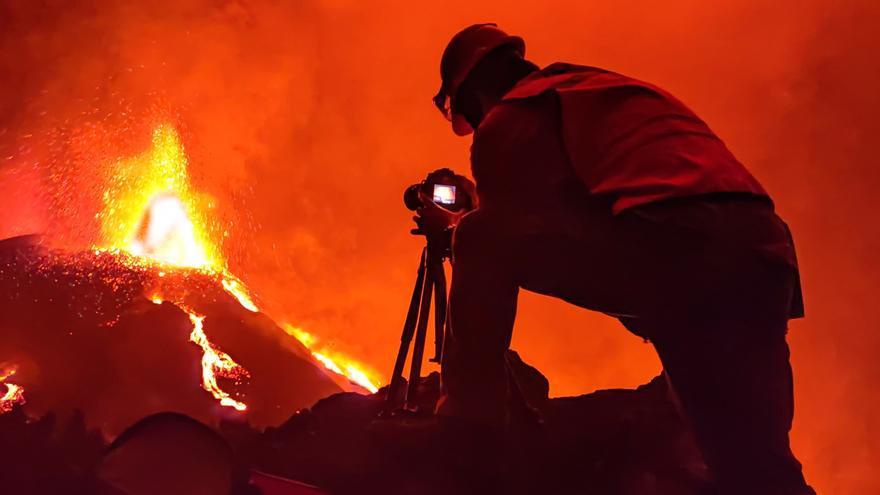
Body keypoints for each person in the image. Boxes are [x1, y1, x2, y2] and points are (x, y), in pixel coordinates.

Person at [425, 23, 815, 495]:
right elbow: (595, 201)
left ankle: (469, 436)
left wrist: (463, 223)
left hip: (675, 252)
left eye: (470, 111)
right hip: (763, 259)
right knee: (752, 461)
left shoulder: (518, 111)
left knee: (479, 236)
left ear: (479, 88)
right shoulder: (598, 90)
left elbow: (510, 227)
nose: (478, 123)